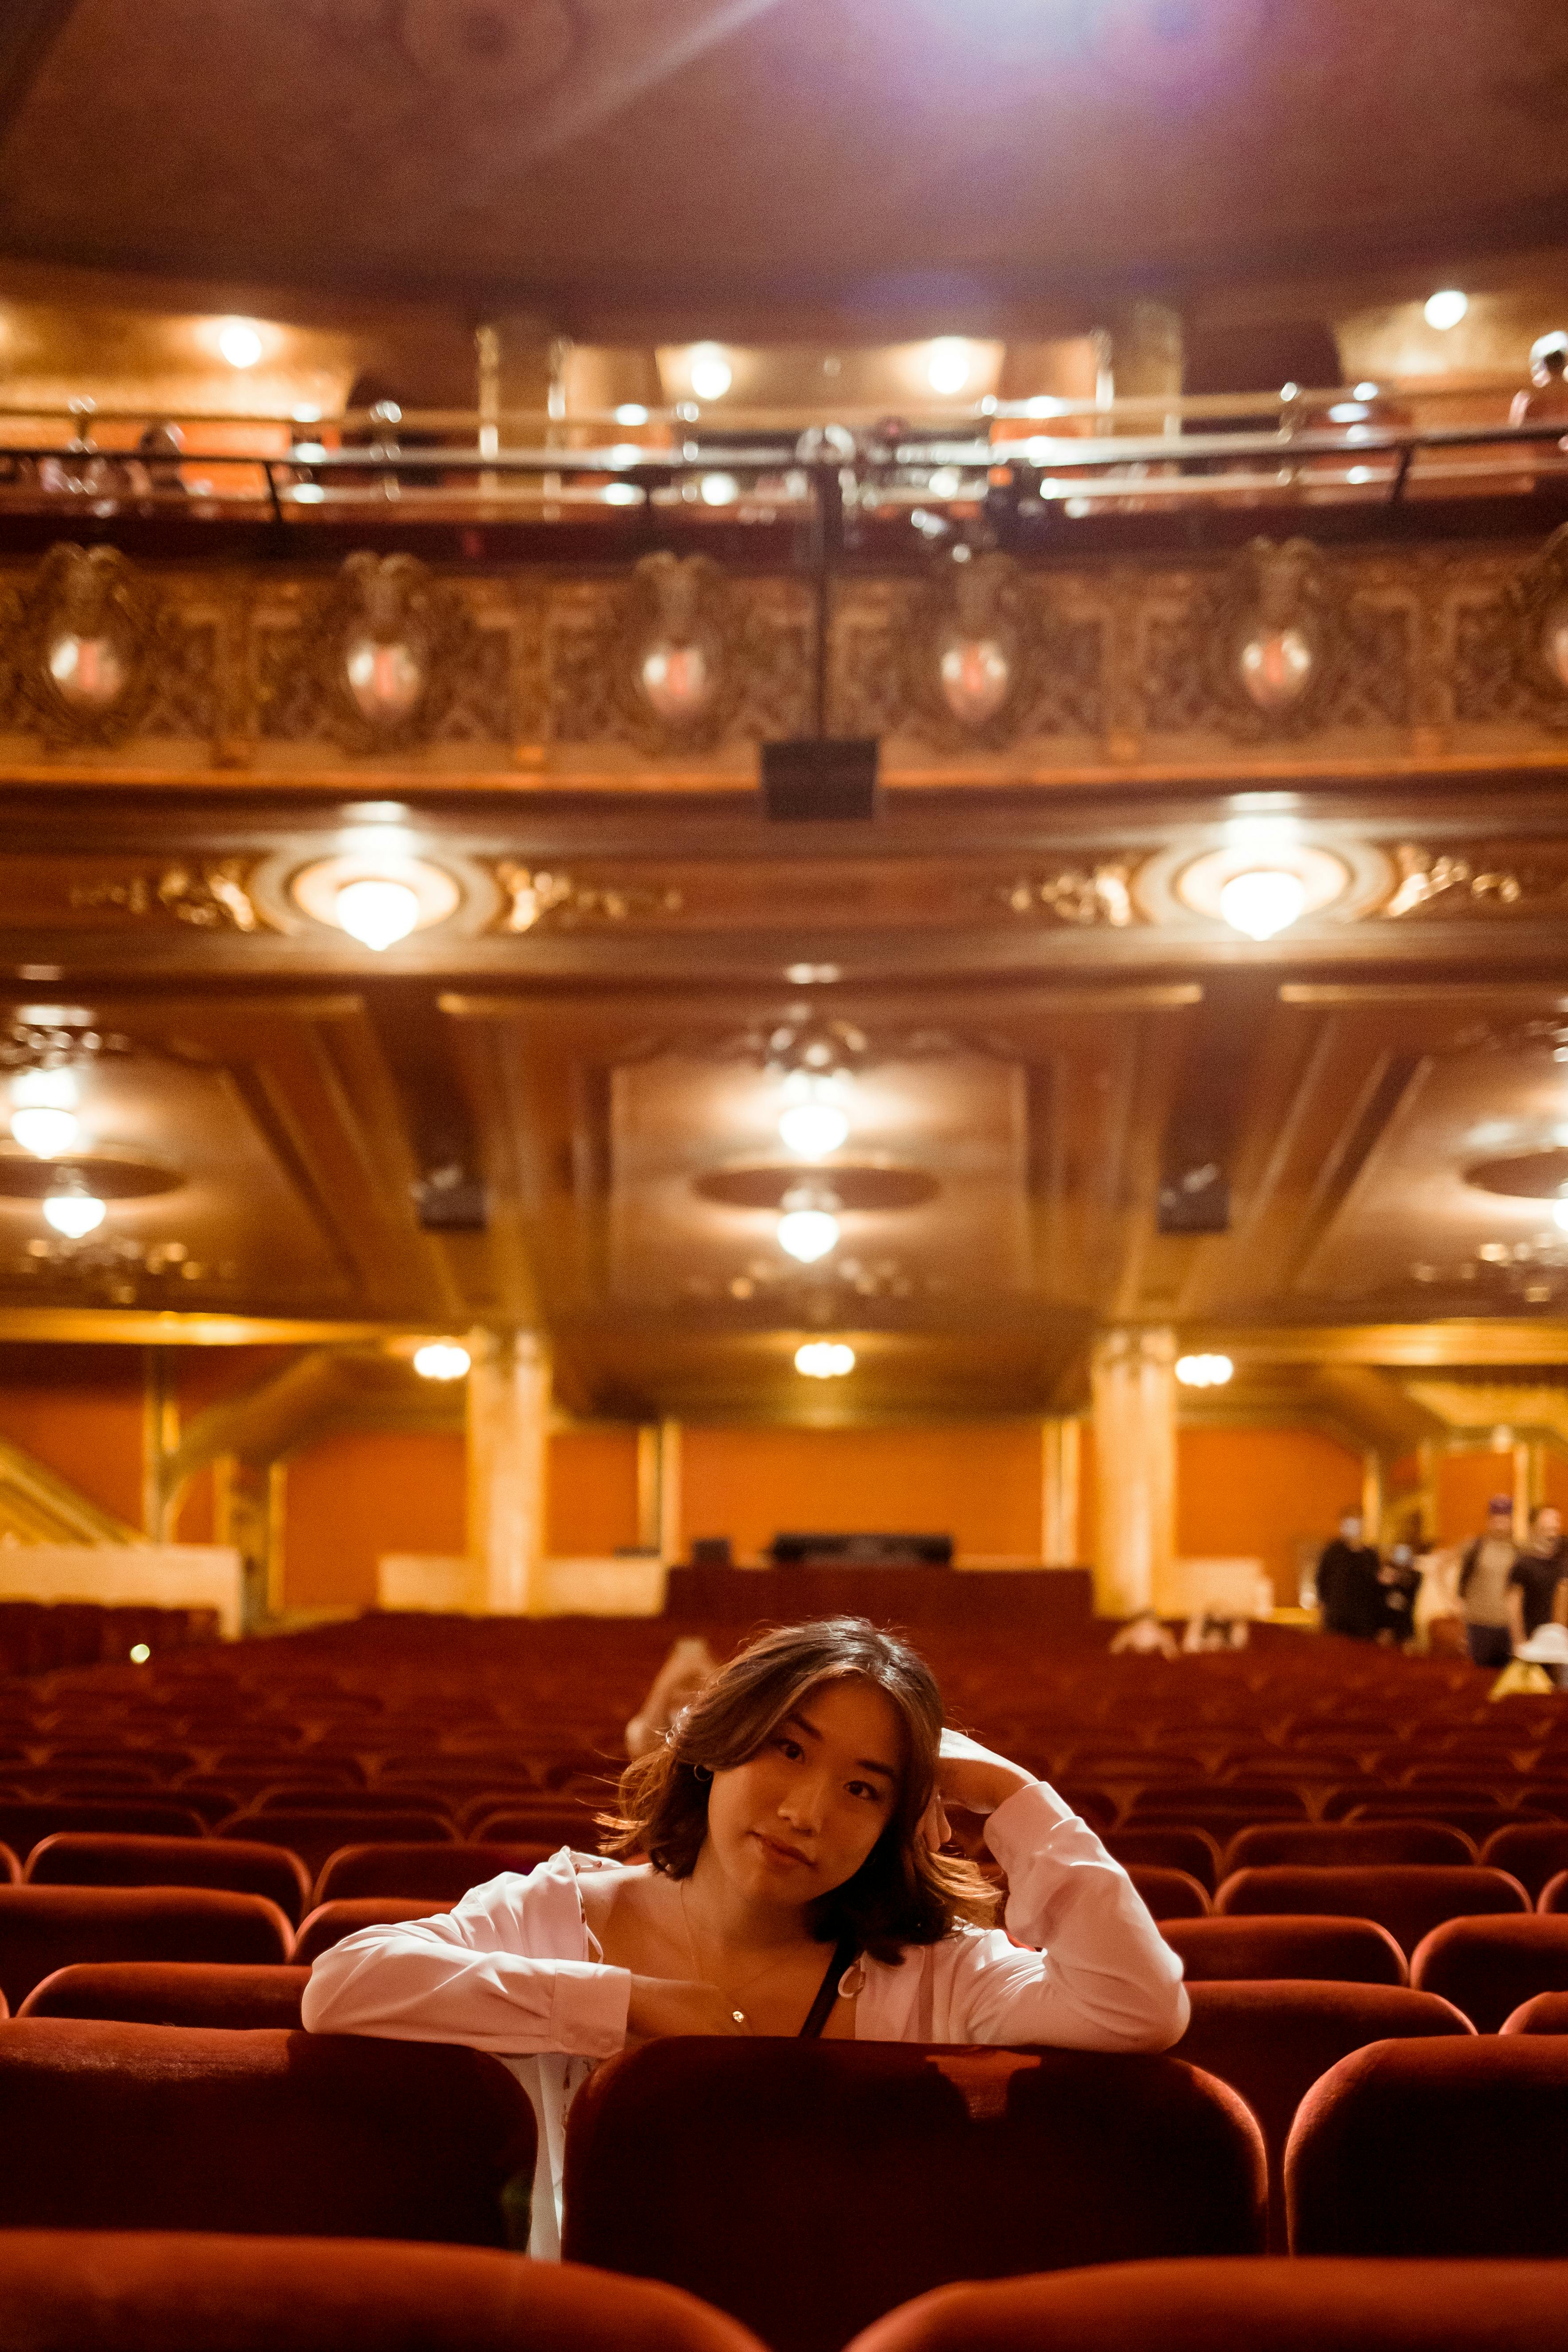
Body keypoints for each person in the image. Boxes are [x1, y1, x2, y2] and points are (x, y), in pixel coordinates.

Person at [302, 1616, 1188, 2257]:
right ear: (715, 1747)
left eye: (863, 1789)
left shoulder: (933, 1968)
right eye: (788, 1751)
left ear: (896, 1820)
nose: (805, 1814)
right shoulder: (556, 1913)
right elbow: (342, 1987)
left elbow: (1136, 2006)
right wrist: (630, 2003)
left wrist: (1011, 1792)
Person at [625, 1635, 719, 1760]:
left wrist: (709, 1674)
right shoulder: (639, 1727)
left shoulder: (713, 1719)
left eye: (695, 1684)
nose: (687, 1693)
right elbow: (643, 1747)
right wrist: (668, 1681)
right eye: (682, 1686)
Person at [1458, 1495, 1523, 1670]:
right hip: (1479, 1626)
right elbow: (1447, 1571)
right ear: (1489, 1519)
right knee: (1480, 1681)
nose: (1501, 1523)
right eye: (1497, 1518)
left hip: (1509, 1628)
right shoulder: (1474, 1547)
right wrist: (1455, 1604)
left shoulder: (1519, 1551)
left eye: (1505, 1518)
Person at [1315, 1513, 1384, 1640]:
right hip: (1338, 1614)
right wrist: (1322, 1607)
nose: (1351, 1529)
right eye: (1348, 1525)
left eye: (1356, 1525)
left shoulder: (1370, 1555)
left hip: (1364, 1618)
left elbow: (1376, 1587)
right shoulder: (1333, 1551)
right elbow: (1321, 1579)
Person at [1510, 1504, 1568, 1641]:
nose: (1551, 1534)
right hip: (1534, 1640)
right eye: (1545, 1529)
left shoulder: (1564, 1557)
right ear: (1533, 1529)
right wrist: (1519, 1642)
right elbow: (1513, 1606)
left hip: (1562, 1641)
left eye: (1554, 1528)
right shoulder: (1524, 1564)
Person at [1109, 1608, 1179, 1658]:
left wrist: (1167, 1644)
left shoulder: (1165, 1635)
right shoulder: (1127, 1633)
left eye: (1151, 1628)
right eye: (1141, 1628)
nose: (1145, 1633)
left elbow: (1174, 1659)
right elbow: (1113, 1653)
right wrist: (1124, 1638)